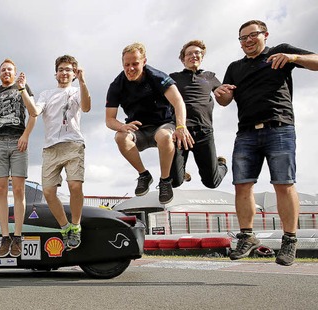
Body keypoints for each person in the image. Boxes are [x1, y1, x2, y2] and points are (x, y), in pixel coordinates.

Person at [214, 20, 318, 266]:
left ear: (265, 35)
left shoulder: (278, 53)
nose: (248, 41)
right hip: (246, 132)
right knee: (242, 186)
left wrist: (292, 57)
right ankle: (247, 236)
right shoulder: (234, 67)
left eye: (253, 35)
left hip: (279, 128)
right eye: (242, 38)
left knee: (283, 184)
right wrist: (222, 94)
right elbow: (225, 101)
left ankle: (290, 240)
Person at [105, 42, 193, 205]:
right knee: (120, 137)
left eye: (135, 64)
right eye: (127, 65)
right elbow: (109, 119)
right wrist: (122, 127)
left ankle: (165, 181)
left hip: (163, 124)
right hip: (138, 130)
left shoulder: (157, 77)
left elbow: (178, 101)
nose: (130, 68)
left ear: (144, 62)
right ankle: (144, 175)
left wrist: (181, 126)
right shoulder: (117, 85)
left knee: (164, 136)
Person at [22, 55, 91, 251]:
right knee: (48, 192)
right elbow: (34, 112)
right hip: (50, 148)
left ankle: (76, 226)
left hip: (73, 144)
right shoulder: (46, 94)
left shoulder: (77, 91)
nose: (64, 73)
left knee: (75, 185)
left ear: (74, 73)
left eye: (68, 69)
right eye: (61, 69)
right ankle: (65, 227)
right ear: (56, 73)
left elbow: (86, 107)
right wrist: (22, 90)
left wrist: (83, 82)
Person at [0, 59, 36, 258]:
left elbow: (33, 114)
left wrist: (25, 136)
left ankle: (18, 235)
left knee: (20, 189)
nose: (6, 72)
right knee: (0, 189)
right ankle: (6, 236)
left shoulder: (22, 88)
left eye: (10, 69)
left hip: (18, 141)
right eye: (3, 69)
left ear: (15, 72)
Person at [169, 40, 228, 189]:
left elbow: (223, 97)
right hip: (182, 131)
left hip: (204, 131)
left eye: (197, 53)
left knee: (212, 183)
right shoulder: (173, 78)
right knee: (175, 181)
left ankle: (221, 165)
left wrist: (224, 92)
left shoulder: (210, 77)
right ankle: (181, 173)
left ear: (202, 57)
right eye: (189, 54)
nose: (193, 56)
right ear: (183, 59)